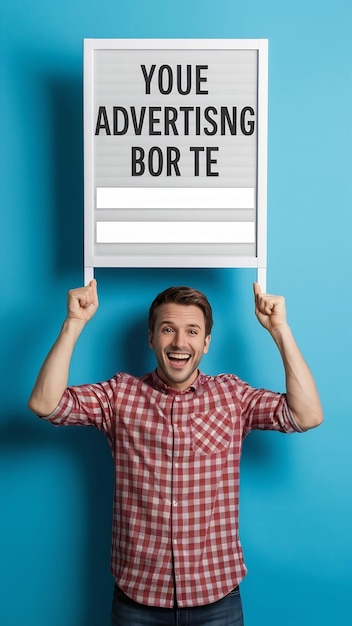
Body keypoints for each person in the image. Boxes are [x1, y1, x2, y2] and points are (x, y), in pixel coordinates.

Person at [28, 280, 323, 626]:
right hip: (138, 600)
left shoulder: (232, 396)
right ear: (151, 338)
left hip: (217, 599)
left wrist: (279, 329)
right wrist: (73, 323)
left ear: (207, 342)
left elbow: (307, 415)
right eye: (168, 329)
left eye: (192, 331)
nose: (180, 343)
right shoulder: (119, 395)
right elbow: (45, 404)